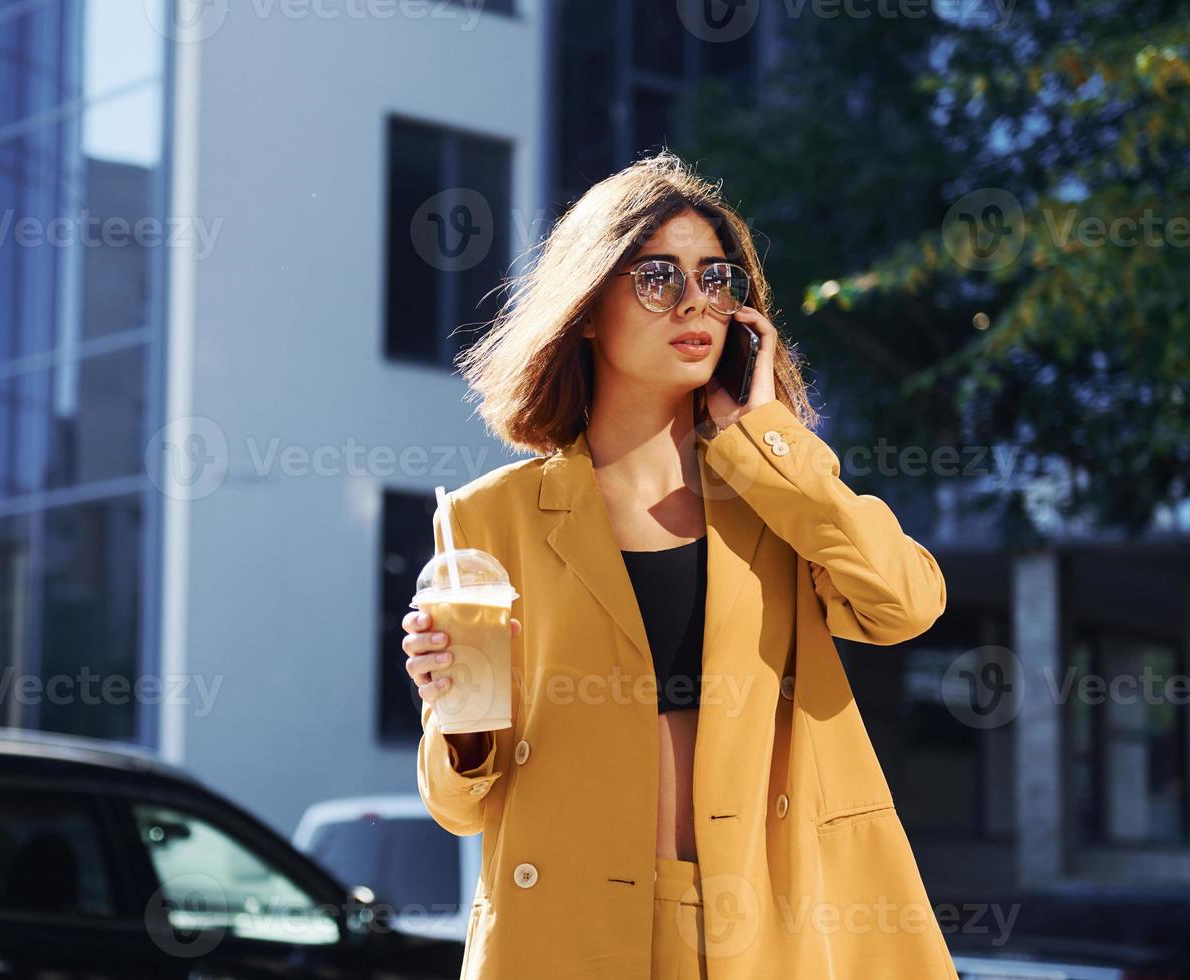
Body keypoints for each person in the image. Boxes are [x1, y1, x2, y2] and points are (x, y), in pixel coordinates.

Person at [403, 149, 955, 980]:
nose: (697, 300)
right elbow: (459, 806)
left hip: (773, 924)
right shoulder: (486, 519)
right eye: (658, 277)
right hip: (573, 931)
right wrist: (456, 712)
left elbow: (904, 605)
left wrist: (770, 439)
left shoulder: (776, 493)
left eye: (718, 279)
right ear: (588, 307)